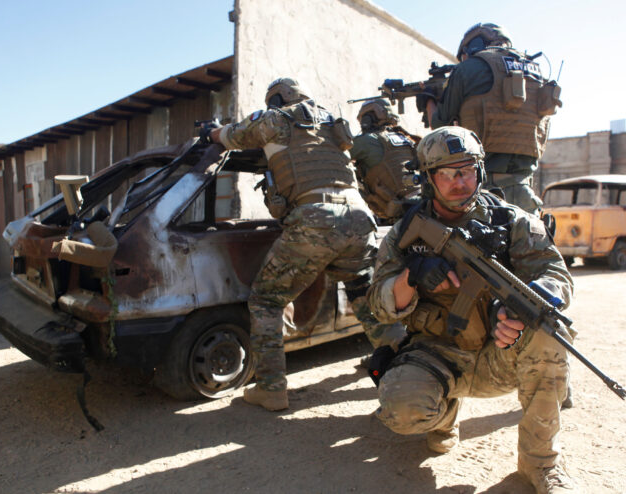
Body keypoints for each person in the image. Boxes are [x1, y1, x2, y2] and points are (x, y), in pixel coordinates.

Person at [366, 126, 577, 493]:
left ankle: (540, 465)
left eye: (466, 170)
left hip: (500, 354)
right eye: (446, 174)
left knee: (549, 330)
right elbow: (379, 307)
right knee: (400, 409)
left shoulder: (513, 221)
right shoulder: (405, 233)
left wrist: (521, 309)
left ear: (479, 171)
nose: (459, 182)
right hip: (437, 353)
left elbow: (554, 272)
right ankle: (444, 414)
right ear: (429, 178)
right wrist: (411, 277)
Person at [208, 78, 403, 412]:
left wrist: (211, 132)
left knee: (266, 300)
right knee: (364, 295)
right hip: (360, 217)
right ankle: (405, 375)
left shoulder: (276, 118)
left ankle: (271, 389)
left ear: (277, 99)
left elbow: (231, 137)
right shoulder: (331, 123)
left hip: (316, 217)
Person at [421, 23, 562, 216]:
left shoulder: (468, 68)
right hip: (525, 192)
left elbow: (440, 126)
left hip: (481, 194)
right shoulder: (538, 74)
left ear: (472, 46)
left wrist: (429, 99)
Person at [350, 98, 421, 223]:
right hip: (419, 201)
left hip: (399, 208)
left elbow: (336, 156)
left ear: (367, 119)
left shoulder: (367, 141)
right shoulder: (404, 137)